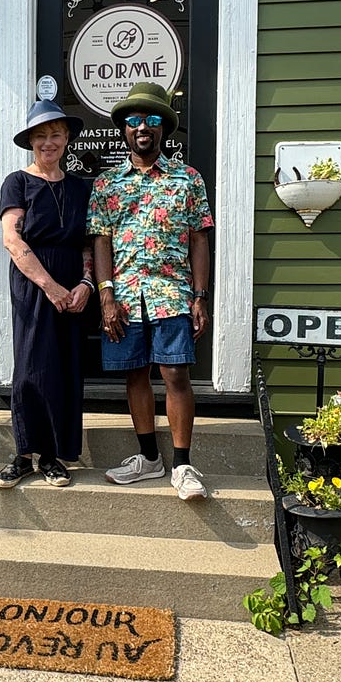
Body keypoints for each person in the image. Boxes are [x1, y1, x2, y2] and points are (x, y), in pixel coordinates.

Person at [88, 81, 214, 501]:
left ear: (165, 129)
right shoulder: (106, 184)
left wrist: (200, 296)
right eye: (134, 120)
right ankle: (149, 458)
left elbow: (199, 239)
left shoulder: (187, 179)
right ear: (124, 129)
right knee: (134, 372)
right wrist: (106, 294)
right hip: (124, 294)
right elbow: (100, 239)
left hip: (172, 291)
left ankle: (181, 464)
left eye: (153, 119)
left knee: (176, 372)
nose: (143, 127)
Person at [0, 99, 94, 488]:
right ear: (31, 143)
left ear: (66, 138)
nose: (48, 143)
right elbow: (12, 239)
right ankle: (22, 454)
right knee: (31, 366)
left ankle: (52, 456)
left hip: (73, 286)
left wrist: (86, 284)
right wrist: (51, 286)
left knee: (65, 368)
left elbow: (88, 243)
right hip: (34, 282)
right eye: (40, 136)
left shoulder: (80, 188)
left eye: (55, 135)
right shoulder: (17, 182)